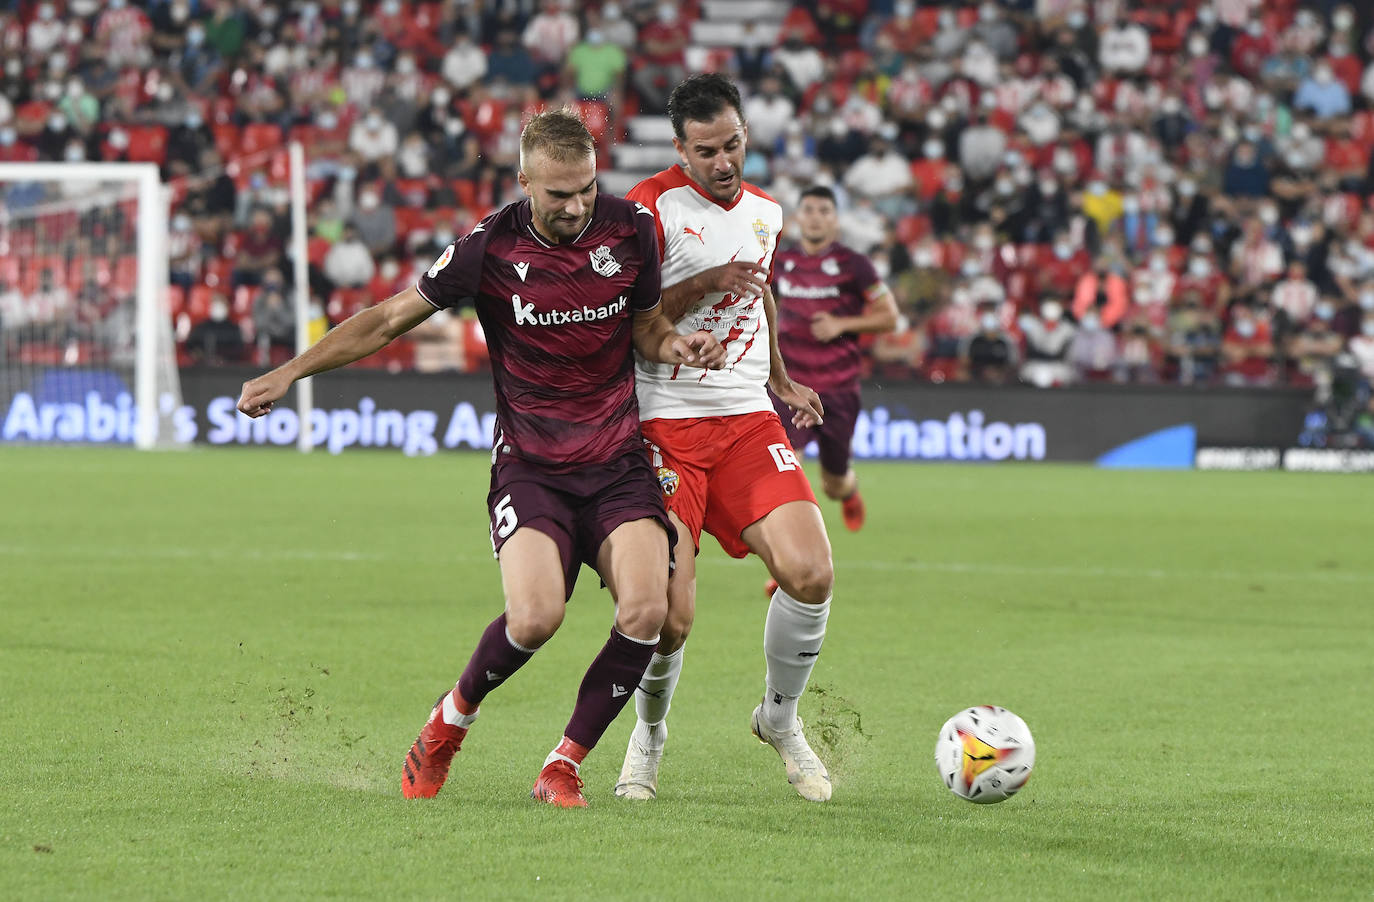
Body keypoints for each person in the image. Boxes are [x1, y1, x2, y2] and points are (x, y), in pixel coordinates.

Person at [236, 110, 726, 808]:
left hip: (617, 463)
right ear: (524, 181)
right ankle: (448, 724)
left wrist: (678, 346)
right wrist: (291, 371)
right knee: (534, 620)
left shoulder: (632, 229)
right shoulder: (487, 247)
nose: (576, 205)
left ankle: (563, 764)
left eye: (585, 189)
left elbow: (647, 327)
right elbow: (385, 319)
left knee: (646, 613)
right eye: (558, 194)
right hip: (533, 468)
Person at [615, 73, 835, 804]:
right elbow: (629, 316)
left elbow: (759, 288)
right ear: (681, 147)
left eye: (733, 144)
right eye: (707, 150)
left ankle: (779, 718)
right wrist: (702, 285)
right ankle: (648, 733)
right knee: (669, 619)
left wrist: (780, 377)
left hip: (745, 418)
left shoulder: (768, 212)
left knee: (811, 571)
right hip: (664, 425)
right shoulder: (648, 210)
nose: (724, 161)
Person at [769, 185, 898, 532]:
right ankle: (794, 566)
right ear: (797, 219)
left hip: (838, 391)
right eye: (808, 210)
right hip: (791, 388)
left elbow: (889, 317)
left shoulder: (856, 266)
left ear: (836, 219)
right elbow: (766, 309)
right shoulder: (780, 264)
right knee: (788, 470)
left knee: (833, 483)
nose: (815, 217)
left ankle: (849, 491)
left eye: (824, 211)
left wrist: (843, 323)